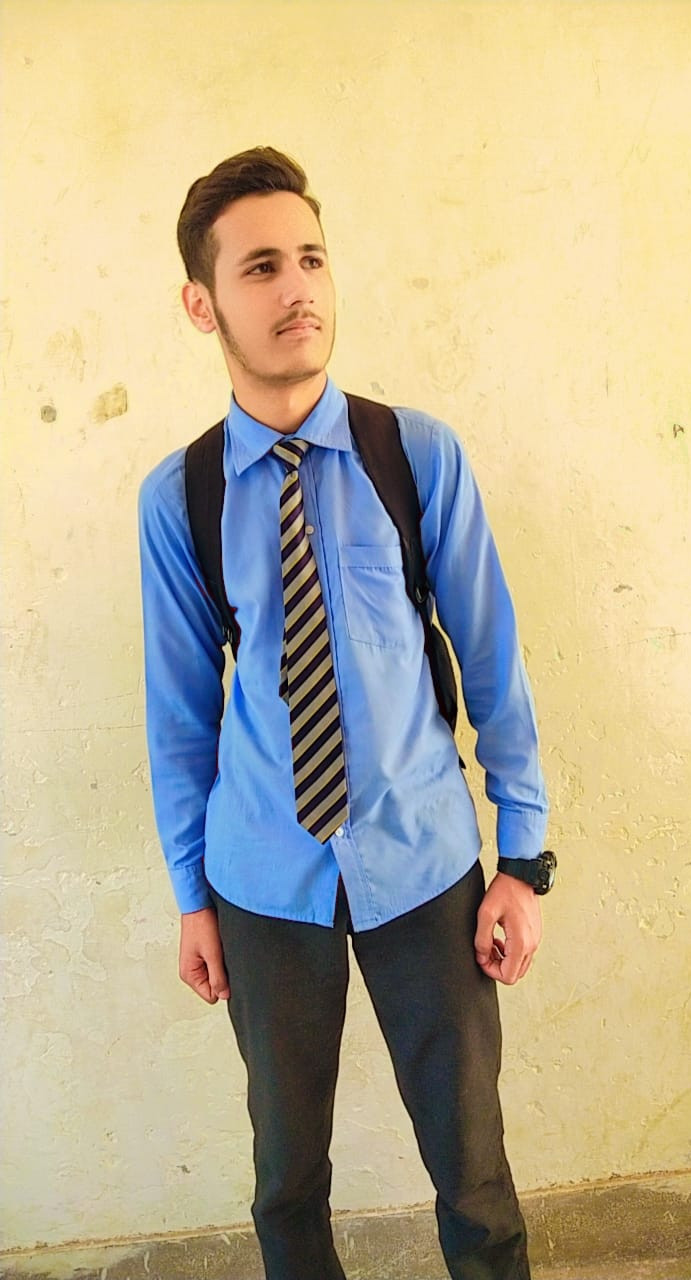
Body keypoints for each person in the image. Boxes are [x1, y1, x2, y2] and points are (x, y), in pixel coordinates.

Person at [139, 145, 552, 1280]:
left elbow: (494, 663)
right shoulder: (182, 497)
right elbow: (179, 719)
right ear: (202, 303)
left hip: (425, 865)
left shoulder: (413, 455)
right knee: (286, 1181)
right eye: (260, 266)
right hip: (263, 881)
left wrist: (523, 858)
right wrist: (192, 895)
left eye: (311, 258)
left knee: (475, 1176)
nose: (297, 289)